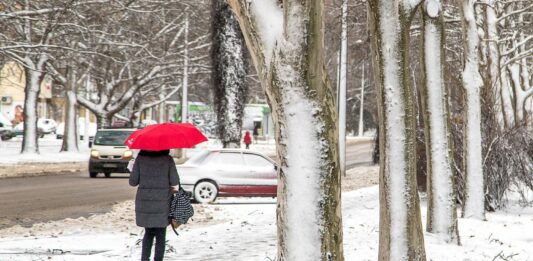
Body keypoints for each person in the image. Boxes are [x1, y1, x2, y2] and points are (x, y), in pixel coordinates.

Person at [129, 149, 179, 261]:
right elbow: (174, 180)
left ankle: (145, 259)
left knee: (148, 233)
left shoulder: (140, 159)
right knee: (161, 235)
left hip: (145, 202)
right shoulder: (168, 160)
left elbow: (133, 182)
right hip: (163, 202)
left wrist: (133, 168)